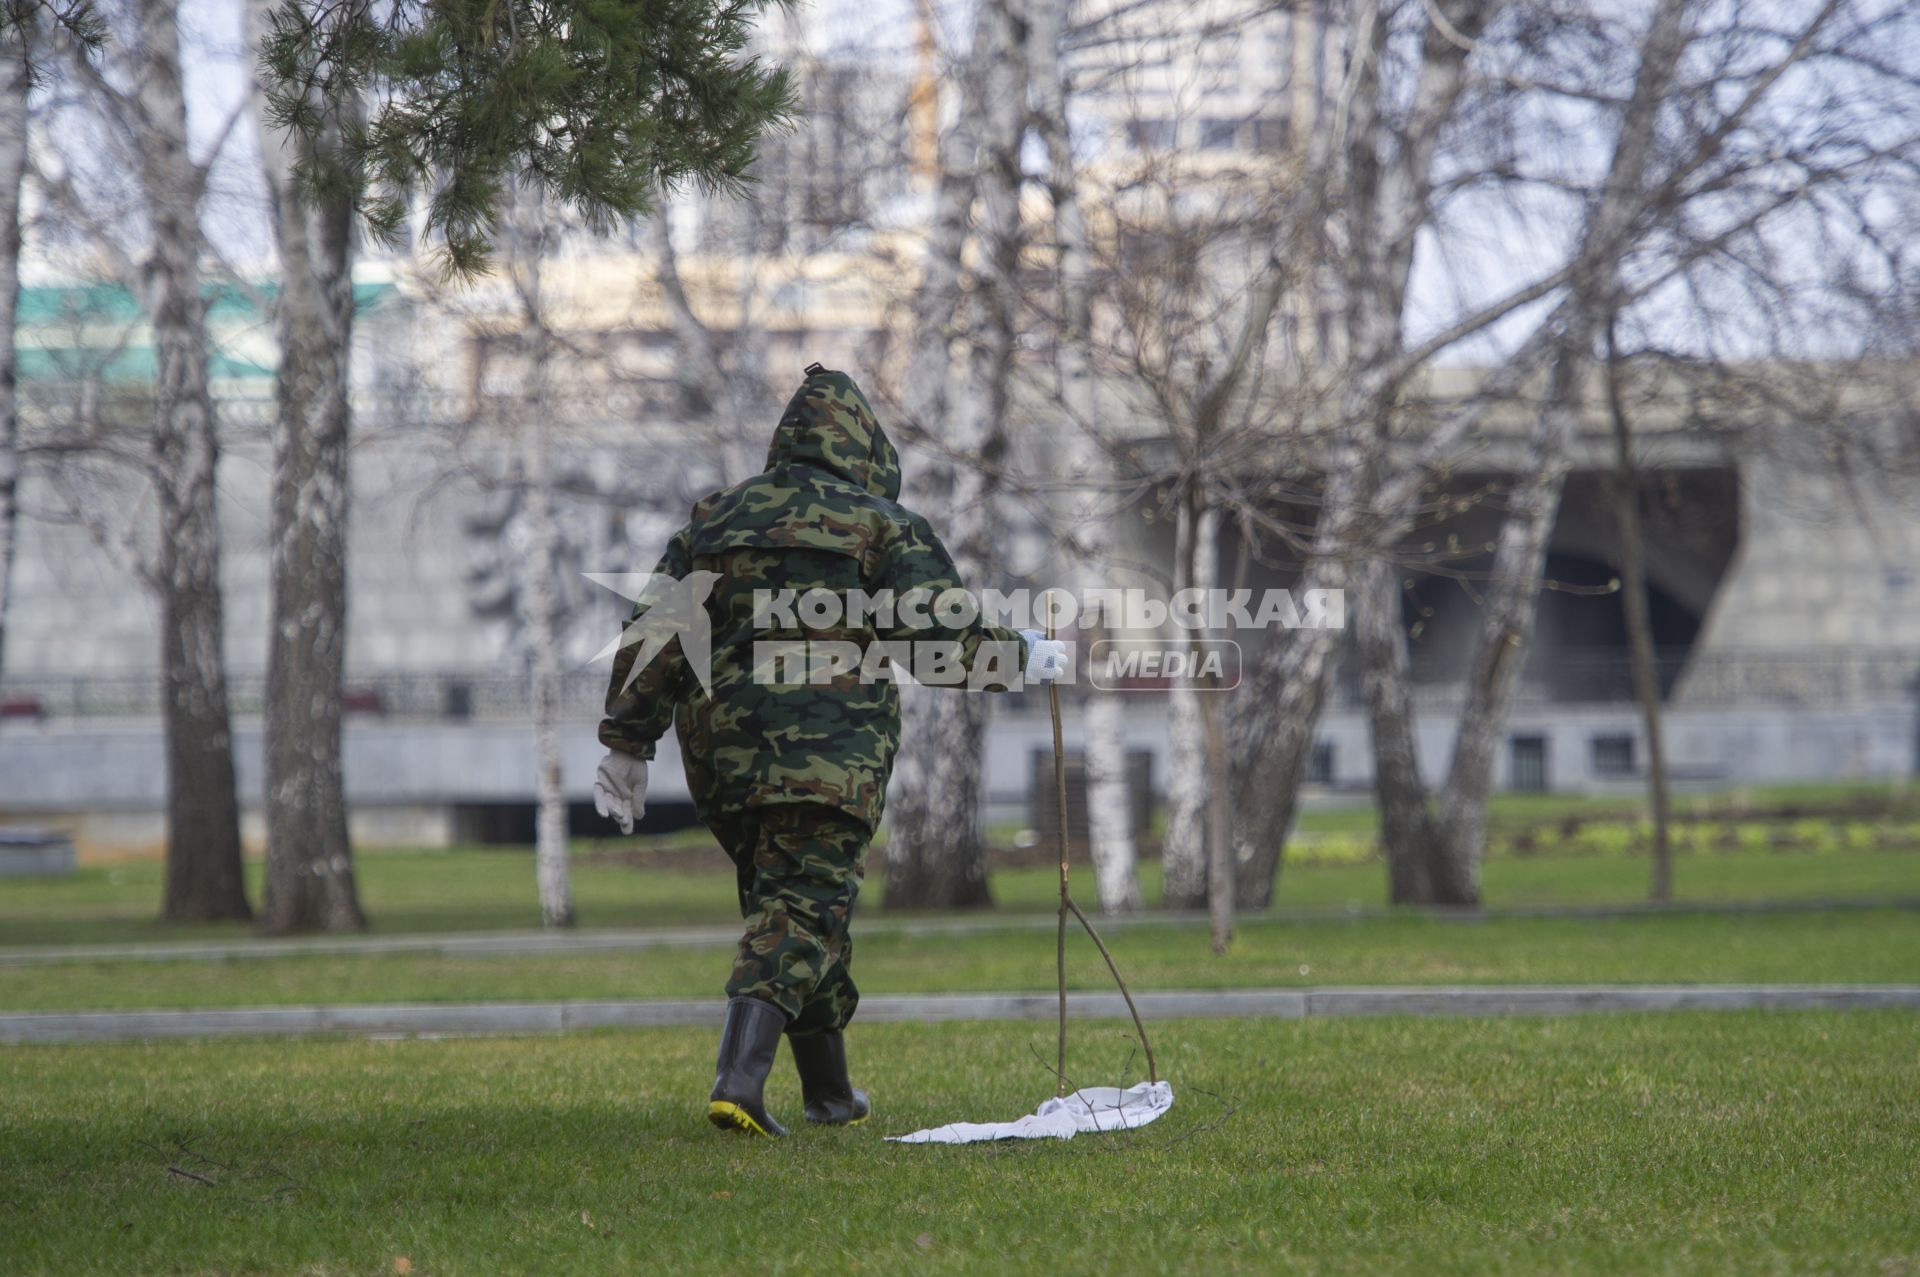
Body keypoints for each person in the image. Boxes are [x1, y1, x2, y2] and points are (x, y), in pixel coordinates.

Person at [592, 364, 1070, 1137]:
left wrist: (627, 741)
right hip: (828, 753)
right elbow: (938, 639)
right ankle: (737, 1083)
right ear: (862, 447)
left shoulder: (715, 519)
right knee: (803, 908)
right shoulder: (878, 522)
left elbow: (657, 632)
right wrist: (1021, 655)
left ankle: (830, 1092)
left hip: (724, 758)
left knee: (796, 904)